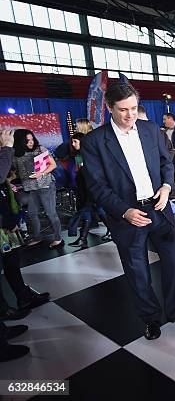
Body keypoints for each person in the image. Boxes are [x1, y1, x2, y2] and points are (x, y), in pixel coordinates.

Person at [81, 82, 175, 340]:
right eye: (123, 109)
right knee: (138, 273)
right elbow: (96, 186)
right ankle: (150, 319)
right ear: (110, 108)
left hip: (159, 208)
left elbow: (167, 163)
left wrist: (167, 187)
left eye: (133, 108)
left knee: (172, 266)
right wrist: (124, 212)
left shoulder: (150, 129)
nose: (130, 115)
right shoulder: (95, 141)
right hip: (127, 217)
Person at [0, 129, 50, 362]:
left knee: (12, 261)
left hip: (6, 219)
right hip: (4, 220)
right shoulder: (10, 152)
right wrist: (8, 148)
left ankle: (16, 305)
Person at [12, 129, 64, 249]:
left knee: (50, 213)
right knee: (32, 213)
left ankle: (58, 238)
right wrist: (9, 181)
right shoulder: (16, 154)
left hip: (45, 186)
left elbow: (53, 165)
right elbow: (16, 172)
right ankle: (37, 237)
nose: (31, 142)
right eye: (27, 140)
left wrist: (41, 173)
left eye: (32, 139)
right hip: (30, 188)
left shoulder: (40, 149)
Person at [66, 132, 111, 247]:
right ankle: (83, 238)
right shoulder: (77, 155)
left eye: (75, 141)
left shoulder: (89, 155)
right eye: (72, 141)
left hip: (92, 188)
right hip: (84, 188)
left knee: (92, 210)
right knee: (96, 210)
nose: (73, 144)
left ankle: (83, 238)